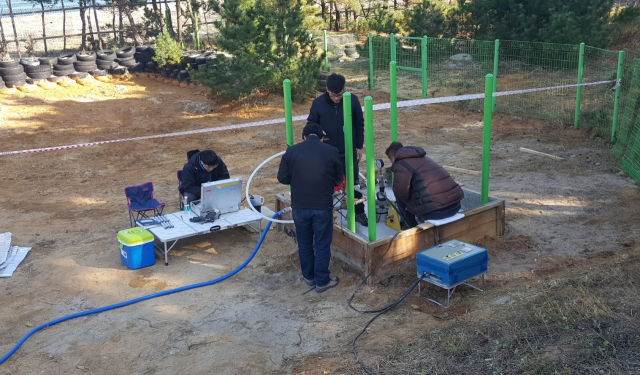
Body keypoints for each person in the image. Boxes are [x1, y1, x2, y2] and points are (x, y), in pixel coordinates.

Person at [277, 123, 343, 293]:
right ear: (322, 138)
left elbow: (282, 178)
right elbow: (338, 181)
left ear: (304, 137)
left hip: (299, 206)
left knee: (305, 243)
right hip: (322, 205)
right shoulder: (331, 151)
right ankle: (322, 281)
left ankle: (309, 277)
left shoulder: (291, 151)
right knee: (321, 244)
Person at [307, 72, 368, 226]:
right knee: (326, 185)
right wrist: (318, 132)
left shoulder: (352, 100)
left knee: (353, 183)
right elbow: (310, 125)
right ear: (327, 89)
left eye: (339, 95)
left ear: (344, 89)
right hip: (326, 153)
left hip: (348, 152)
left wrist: (359, 147)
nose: (336, 98)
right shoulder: (318, 103)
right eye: (333, 95)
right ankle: (328, 214)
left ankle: (359, 212)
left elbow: (359, 124)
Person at [385, 142, 464, 228]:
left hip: (437, 213)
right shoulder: (424, 158)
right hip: (455, 206)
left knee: (399, 198)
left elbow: (401, 193)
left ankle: (411, 227)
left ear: (392, 158)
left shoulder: (400, 164)